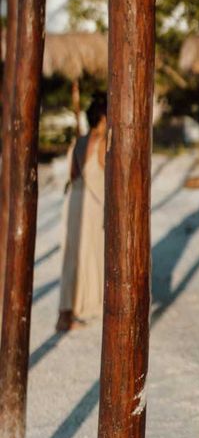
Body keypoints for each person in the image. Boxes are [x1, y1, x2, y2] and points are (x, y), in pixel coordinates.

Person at [56, 91, 107, 332]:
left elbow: (74, 176)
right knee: (92, 255)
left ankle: (64, 314)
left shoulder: (78, 141)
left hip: (73, 202)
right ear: (104, 117)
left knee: (72, 257)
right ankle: (91, 306)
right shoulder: (102, 142)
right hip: (92, 205)